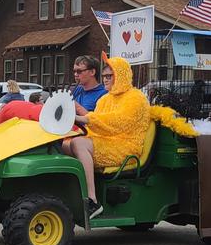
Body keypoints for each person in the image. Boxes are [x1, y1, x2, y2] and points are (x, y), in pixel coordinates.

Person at [62, 55, 151, 220]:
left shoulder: (136, 98)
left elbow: (118, 121)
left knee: (79, 144)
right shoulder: (104, 99)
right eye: (104, 76)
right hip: (107, 141)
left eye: (109, 76)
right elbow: (98, 125)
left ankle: (92, 201)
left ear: (121, 75)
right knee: (63, 145)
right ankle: (68, 193)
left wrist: (83, 118)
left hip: (126, 145)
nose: (105, 80)